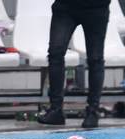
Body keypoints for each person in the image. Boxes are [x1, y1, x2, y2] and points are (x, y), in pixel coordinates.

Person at [37, 0, 111, 128]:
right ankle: (56, 109)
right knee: (56, 53)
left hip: (96, 7)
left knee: (95, 58)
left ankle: (92, 111)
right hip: (66, 6)